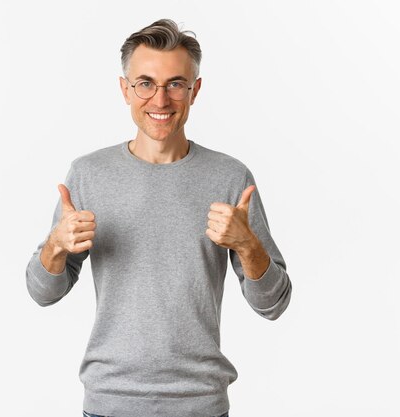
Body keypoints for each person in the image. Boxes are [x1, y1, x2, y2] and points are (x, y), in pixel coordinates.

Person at [25, 18, 293, 417]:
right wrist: (55, 247)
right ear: (125, 89)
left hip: (200, 404)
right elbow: (42, 292)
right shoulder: (88, 175)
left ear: (194, 90)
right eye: (145, 83)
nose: (160, 101)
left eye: (176, 84)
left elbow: (273, 304)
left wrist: (247, 245)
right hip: (109, 403)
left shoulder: (230, 178)